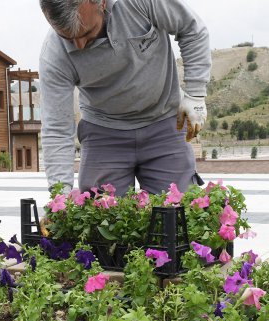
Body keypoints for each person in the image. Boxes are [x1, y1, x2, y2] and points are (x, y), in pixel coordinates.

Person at [38, 0, 210, 196]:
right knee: (99, 217)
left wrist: (196, 94)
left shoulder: (137, 3)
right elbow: (57, 129)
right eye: (67, 38)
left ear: (101, 3)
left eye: (86, 33)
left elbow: (191, 29)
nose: (80, 45)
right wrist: (60, 192)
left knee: (178, 212)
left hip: (163, 122)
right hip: (103, 134)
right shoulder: (53, 56)